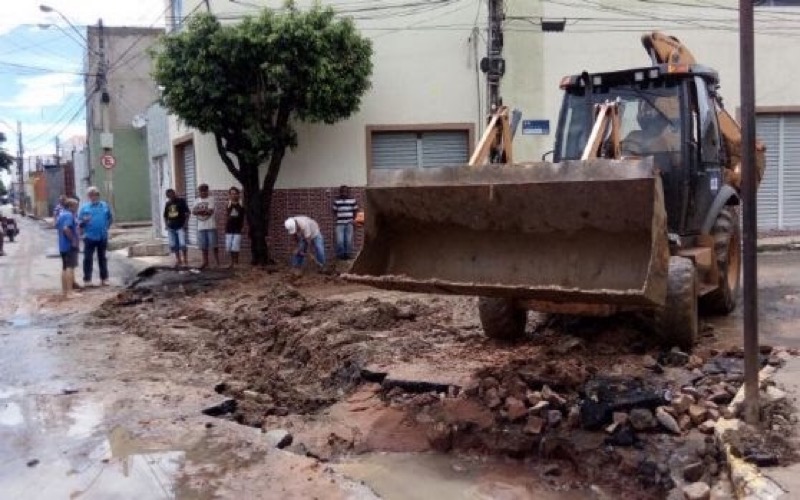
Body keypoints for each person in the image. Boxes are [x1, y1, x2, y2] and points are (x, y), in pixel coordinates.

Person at [78, 186, 113, 286]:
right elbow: (79, 222)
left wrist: (106, 228)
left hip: (102, 236)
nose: (93, 197)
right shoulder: (85, 208)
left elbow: (110, 218)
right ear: (89, 196)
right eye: (91, 195)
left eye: (95, 194)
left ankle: (104, 278)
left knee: (102, 258)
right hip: (89, 237)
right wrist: (83, 224)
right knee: (88, 258)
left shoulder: (104, 206)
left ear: (98, 195)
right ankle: (87, 280)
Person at [56, 199, 80, 298]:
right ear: (70, 206)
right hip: (69, 245)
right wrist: (73, 240)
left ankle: (65, 291)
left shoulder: (61, 215)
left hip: (62, 245)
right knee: (70, 267)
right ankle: (70, 292)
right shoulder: (69, 215)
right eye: (76, 206)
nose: (77, 208)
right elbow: (66, 228)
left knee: (65, 268)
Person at [192, 183, 219, 268]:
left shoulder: (211, 199)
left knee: (214, 245)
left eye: (205, 191)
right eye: (201, 191)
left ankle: (217, 262)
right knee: (203, 246)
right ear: (199, 192)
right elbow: (193, 212)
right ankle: (205, 262)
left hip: (211, 226)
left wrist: (199, 211)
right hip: (201, 227)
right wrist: (203, 211)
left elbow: (209, 212)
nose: (203, 193)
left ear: (207, 191)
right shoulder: (196, 200)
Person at [163, 188, 190, 267]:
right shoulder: (168, 204)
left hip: (180, 226)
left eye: (172, 194)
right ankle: (178, 260)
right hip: (171, 227)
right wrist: (166, 225)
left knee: (183, 244)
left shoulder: (181, 201)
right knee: (173, 245)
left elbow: (188, 213)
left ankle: (185, 259)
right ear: (168, 196)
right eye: (169, 196)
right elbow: (165, 216)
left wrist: (185, 224)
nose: (171, 196)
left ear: (174, 193)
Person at [332, 185, 358, 260]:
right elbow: (334, 211)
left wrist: (354, 220)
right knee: (340, 241)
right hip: (339, 224)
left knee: (348, 240)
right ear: (340, 192)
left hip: (349, 223)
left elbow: (355, 211)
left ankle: (347, 255)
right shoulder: (336, 201)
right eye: (342, 192)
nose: (344, 193)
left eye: (345, 192)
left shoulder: (352, 200)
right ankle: (341, 255)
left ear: (348, 192)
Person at [224, 187, 245, 268]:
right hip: (229, 227)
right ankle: (232, 262)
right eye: (232, 194)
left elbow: (243, 216)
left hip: (238, 227)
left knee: (235, 246)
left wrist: (242, 227)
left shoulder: (241, 204)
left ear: (238, 194)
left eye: (235, 193)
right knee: (229, 246)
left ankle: (236, 262)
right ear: (229, 195)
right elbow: (226, 215)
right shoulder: (228, 204)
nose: (234, 195)